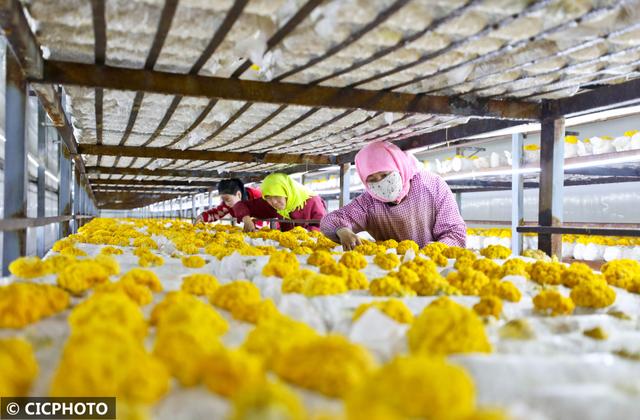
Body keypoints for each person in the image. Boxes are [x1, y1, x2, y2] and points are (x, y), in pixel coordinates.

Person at [320, 141, 466, 250]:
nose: (381, 183)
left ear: (399, 167)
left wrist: (428, 254)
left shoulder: (432, 186)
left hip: (434, 267)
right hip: (390, 269)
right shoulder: (368, 202)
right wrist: (342, 230)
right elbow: (330, 220)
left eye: (385, 175)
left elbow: (455, 233)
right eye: (372, 179)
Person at [194, 179, 278, 231]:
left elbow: (271, 216)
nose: (226, 204)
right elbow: (216, 213)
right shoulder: (228, 204)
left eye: (227, 199)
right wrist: (202, 216)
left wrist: (253, 225)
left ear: (239, 195)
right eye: (223, 200)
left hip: (273, 227)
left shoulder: (257, 198)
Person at [260, 173, 327, 232]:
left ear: (287, 191)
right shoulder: (283, 208)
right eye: (268, 198)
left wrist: (306, 232)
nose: (274, 202)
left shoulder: (312, 201)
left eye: (277, 196)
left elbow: (325, 228)